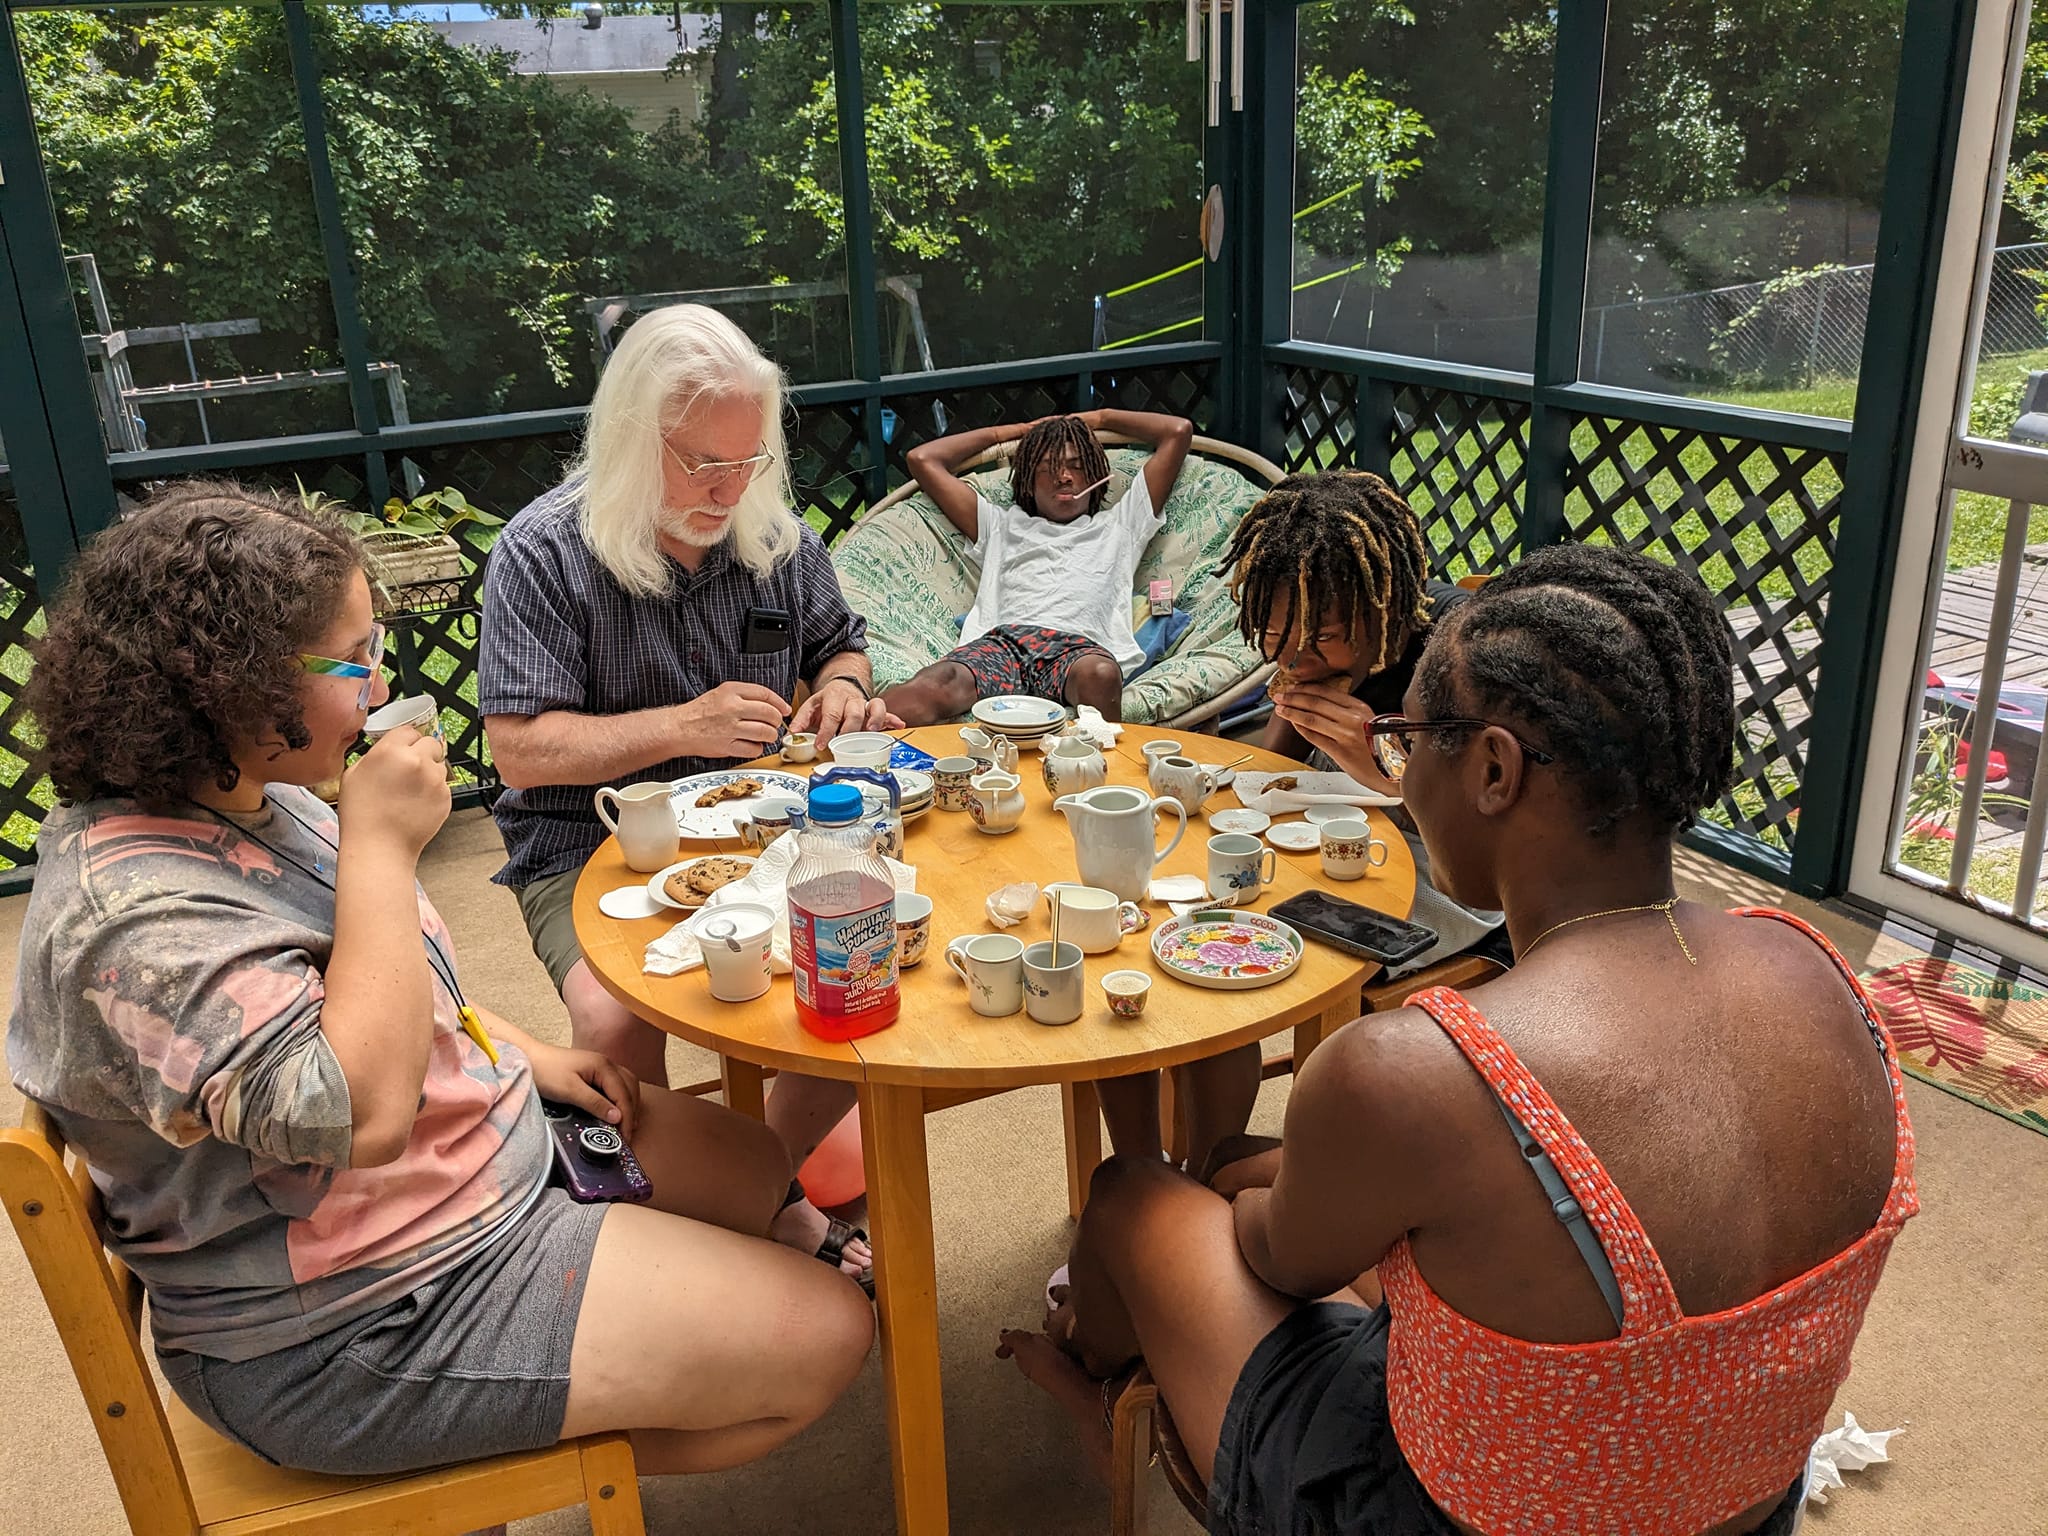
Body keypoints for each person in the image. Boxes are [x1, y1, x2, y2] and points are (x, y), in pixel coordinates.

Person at [998, 545, 1918, 1536]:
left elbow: (1282, 1261)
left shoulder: (1419, 1067)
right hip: (1729, 1502)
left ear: (1489, 767)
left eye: (1406, 740)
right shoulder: (1820, 971)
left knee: (1132, 1194)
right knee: (1249, 1166)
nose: (1399, 766)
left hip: (1425, 1512)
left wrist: (1237, 1187)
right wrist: (1243, 1165)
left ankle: (1100, 1378)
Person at [8, 483, 873, 1482]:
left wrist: (523, 1051)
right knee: (826, 1331)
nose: (379, 687)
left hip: (456, 1165)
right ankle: (513, 1452)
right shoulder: (134, 921)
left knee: (757, 1165)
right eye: (353, 660)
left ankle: (606, 1332)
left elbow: (371, 983)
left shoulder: (250, 793)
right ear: (230, 686)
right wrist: (378, 848)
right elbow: (358, 1115)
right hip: (355, 1314)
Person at [481, 305, 890, 1281]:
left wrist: (841, 689)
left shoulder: (771, 535)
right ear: (627, 438)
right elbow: (519, 752)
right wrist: (678, 728)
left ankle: (753, 1187)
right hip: (586, 843)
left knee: (870, 964)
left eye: (745, 462)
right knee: (616, 1022)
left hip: (760, 829)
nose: (724, 488)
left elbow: (844, 643)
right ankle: (700, 1218)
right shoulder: (540, 551)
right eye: (698, 461)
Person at [1093, 471, 1502, 1172]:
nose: (1294, 657)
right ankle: (1159, 1175)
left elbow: (1485, 838)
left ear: (1389, 605)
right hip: (1334, 849)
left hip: (1449, 877)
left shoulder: (1453, 657)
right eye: (1276, 635)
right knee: (1157, 937)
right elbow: (1268, 775)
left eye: (1322, 638)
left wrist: (1382, 764)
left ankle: (1205, 1173)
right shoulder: (1307, 653)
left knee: (1224, 957)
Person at [879, 408, 1194, 726]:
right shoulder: (1000, 526)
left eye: (1076, 465)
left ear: (1096, 475)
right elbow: (922, 459)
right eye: (1048, 468)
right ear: (1028, 481)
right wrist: (1011, 434)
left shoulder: (1122, 525)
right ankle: (854, 740)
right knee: (938, 681)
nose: (1064, 477)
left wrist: (1098, 419)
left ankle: (1102, 767)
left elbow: (1178, 431)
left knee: (1100, 675)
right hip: (1003, 646)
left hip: (1077, 651)